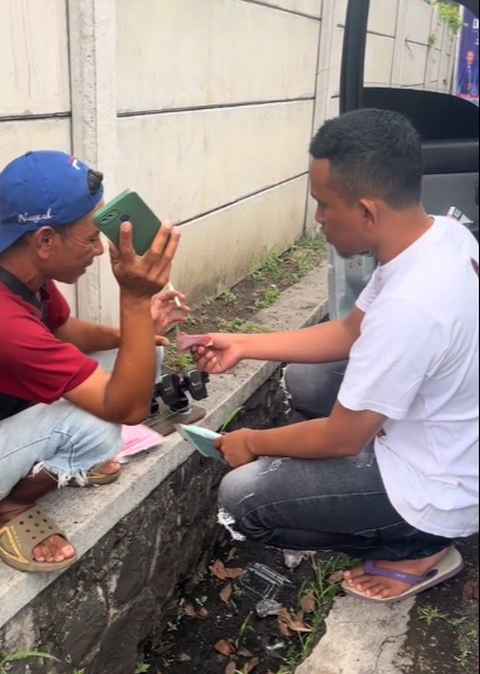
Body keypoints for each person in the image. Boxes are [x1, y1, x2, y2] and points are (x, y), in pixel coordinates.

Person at [194, 109, 479, 603]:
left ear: (368, 211)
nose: (319, 219)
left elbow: (344, 437)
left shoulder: (413, 304)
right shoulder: (441, 235)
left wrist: (254, 443)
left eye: (325, 206)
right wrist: (244, 344)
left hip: (439, 487)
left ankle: (422, 545)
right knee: (306, 379)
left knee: (244, 499)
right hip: (450, 437)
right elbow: (351, 330)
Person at [0, 150, 187, 573]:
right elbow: (128, 409)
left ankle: (46, 463)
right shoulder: (5, 320)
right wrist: (135, 300)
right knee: (99, 427)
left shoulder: (22, 270)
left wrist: (136, 331)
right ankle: (11, 505)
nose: (100, 251)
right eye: (90, 238)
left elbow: (66, 331)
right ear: (45, 240)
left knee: (144, 352)